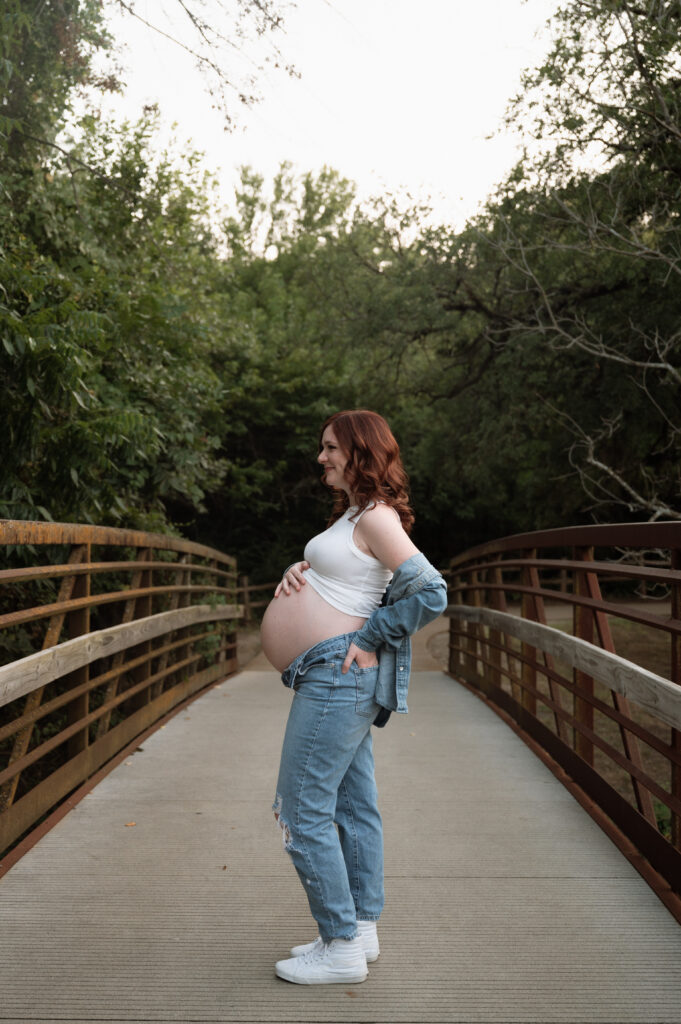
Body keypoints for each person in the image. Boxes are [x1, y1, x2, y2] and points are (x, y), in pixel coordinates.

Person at [260, 409, 447, 985]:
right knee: (349, 805)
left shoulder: (378, 518)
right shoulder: (356, 516)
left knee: (299, 808)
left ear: (361, 452)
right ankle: (360, 928)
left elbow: (431, 591)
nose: (322, 458)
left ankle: (338, 944)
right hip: (332, 676)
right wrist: (301, 569)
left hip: (339, 675)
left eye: (331, 449)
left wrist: (371, 637)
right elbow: (350, 577)